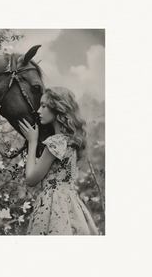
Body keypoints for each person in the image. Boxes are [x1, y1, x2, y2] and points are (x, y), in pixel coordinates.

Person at [18, 87, 99, 235]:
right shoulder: (71, 141)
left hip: (52, 206)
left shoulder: (55, 143)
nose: (38, 111)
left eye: (44, 106)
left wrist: (32, 142)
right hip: (70, 205)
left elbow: (30, 180)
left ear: (58, 109)